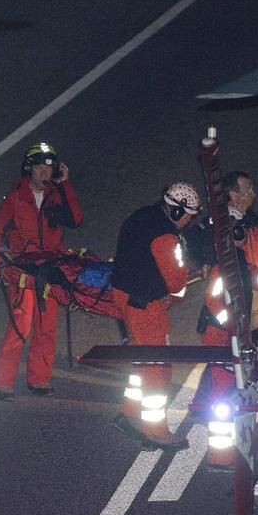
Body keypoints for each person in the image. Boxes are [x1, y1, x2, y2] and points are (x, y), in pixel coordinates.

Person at [0, 142, 83, 401]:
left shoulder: (56, 193)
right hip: (23, 271)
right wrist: (3, 259)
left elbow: (75, 219)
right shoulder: (16, 197)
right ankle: (3, 381)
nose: (45, 173)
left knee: (47, 327)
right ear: (29, 168)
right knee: (20, 326)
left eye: (49, 168)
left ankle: (39, 379)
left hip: (50, 270)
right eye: (40, 167)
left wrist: (66, 185)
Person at [110, 181, 201, 452]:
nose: (187, 222)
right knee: (157, 367)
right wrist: (181, 279)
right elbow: (175, 282)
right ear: (177, 212)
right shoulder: (166, 237)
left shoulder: (142, 215)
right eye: (188, 216)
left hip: (125, 295)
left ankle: (129, 413)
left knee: (142, 360)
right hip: (145, 305)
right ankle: (156, 430)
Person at [197, 207, 258, 466]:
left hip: (234, 332)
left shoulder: (238, 260)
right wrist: (232, 326)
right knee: (223, 392)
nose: (244, 237)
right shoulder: (222, 266)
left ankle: (231, 449)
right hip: (221, 334)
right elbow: (212, 299)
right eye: (240, 232)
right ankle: (220, 455)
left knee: (234, 386)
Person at [222, 170, 258, 330]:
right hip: (243, 292)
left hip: (254, 287)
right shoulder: (227, 227)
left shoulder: (245, 216)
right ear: (234, 195)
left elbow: (257, 227)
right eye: (249, 190)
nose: (253, 193)